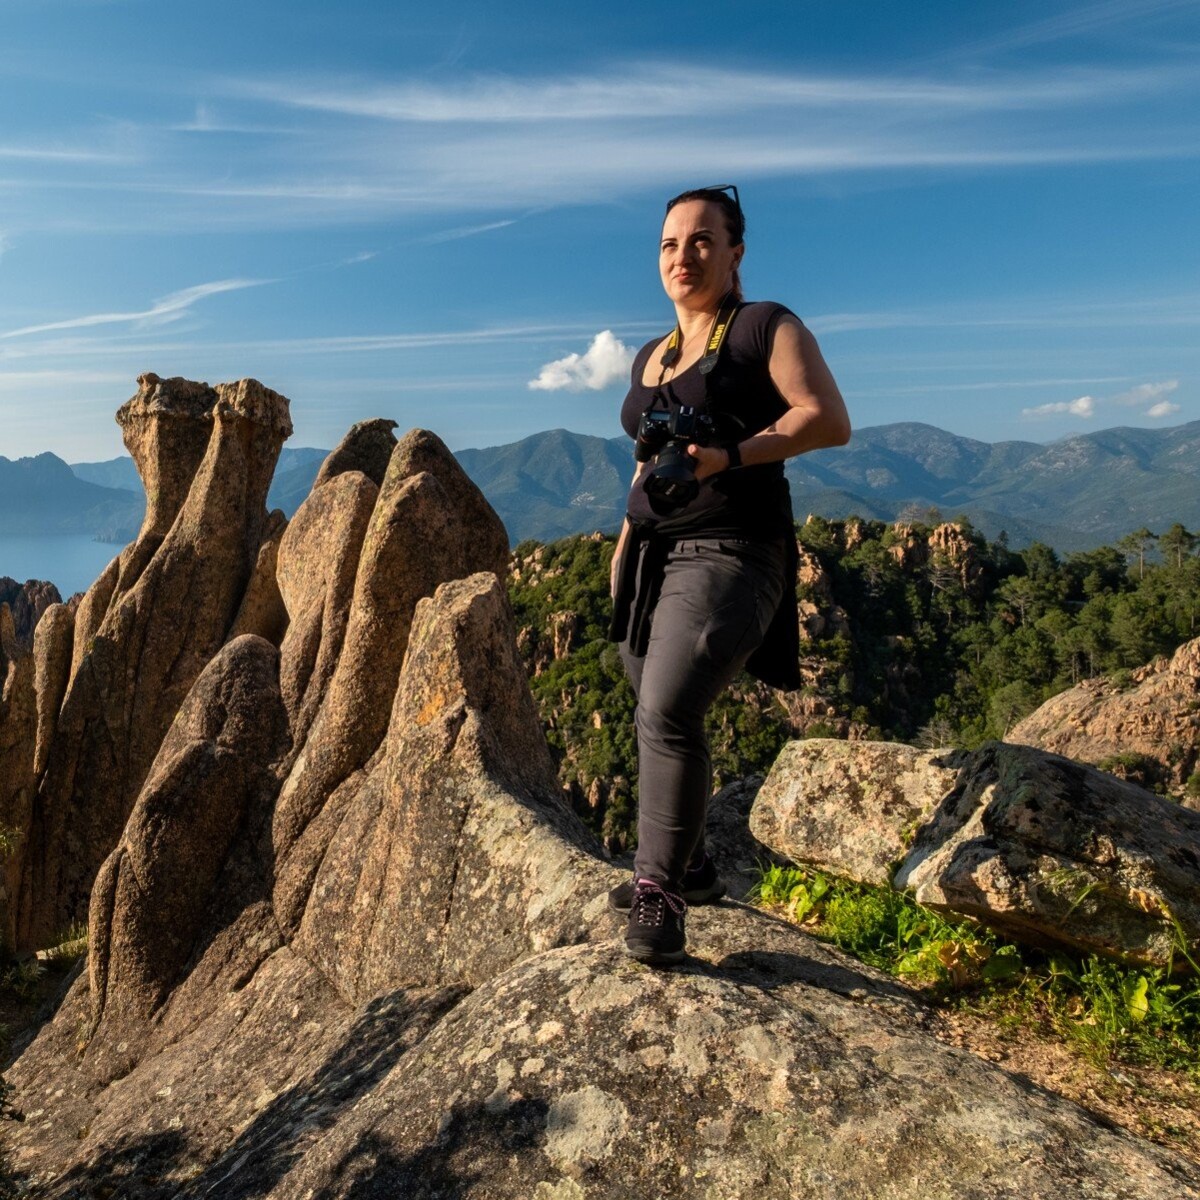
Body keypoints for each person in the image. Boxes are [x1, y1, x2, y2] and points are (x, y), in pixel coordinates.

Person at [608, 185, 850, 964]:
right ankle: (695, 865)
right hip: (653, 553)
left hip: (735, 548)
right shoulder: (654, 355)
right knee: (651, 699)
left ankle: (661, 893)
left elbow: (827, 418)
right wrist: (622, 542)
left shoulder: (763, 326)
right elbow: (646, 456)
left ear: (735, 251)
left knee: (671, 704)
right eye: (670, 243)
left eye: (703, 240)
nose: (684, 256)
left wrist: (731, 455)